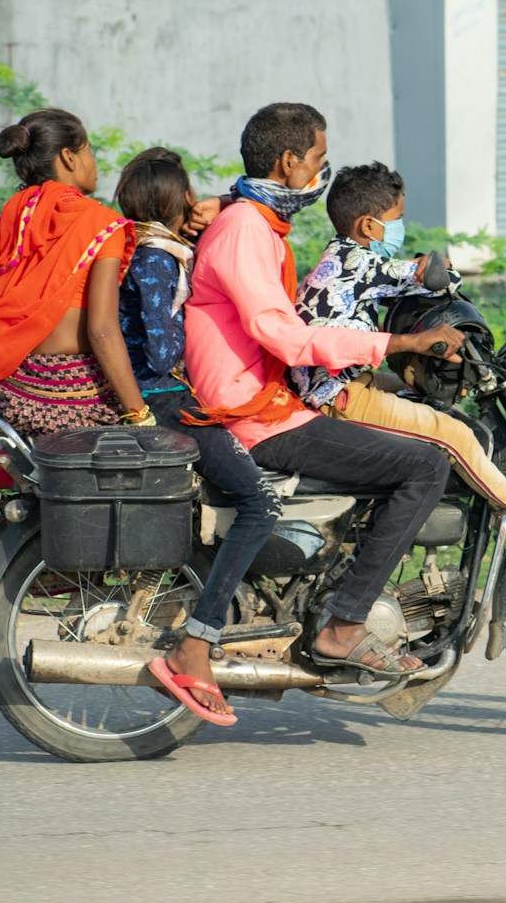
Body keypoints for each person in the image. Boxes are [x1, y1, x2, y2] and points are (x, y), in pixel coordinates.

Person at [183, 103, 466, 680]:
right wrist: (398, 346)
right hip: (255, 415)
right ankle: (343, 626)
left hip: (267, 401)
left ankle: (335, 591)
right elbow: (284, 337)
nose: (321, 172)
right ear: (289, 162)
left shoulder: (252, 221)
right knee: (425, 469)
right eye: (317, 159)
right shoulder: (243, 229)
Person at [293, 161, 506, 558]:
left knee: (427, 401)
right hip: (340, 396)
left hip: (336, 384)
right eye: (395, 219)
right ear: (367, 226)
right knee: (454, 434)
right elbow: (433, 276)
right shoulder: (357, 260)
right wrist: (439, 269)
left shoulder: (339, 261)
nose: (397, 229)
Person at [115, 146, 283, 725]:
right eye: (187, 194)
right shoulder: (157, 258)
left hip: (156, 398)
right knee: (260, 503)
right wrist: (208, 322)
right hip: (164, 400)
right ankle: (199, 641)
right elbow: (162, 350)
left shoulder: (137, 244)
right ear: (172, 201)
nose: (194, 201)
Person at [0, 108, 151, 437]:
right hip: (76, 401)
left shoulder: (8, 223)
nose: (95, 163)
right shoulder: (101, 223)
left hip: (12, 396)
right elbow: (102, 330)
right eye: (89, 150)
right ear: (68, 157)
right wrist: (140, 415)